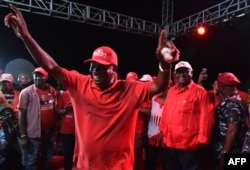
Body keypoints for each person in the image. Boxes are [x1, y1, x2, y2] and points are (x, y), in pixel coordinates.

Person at [4, 4, 180, 169]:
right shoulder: (80, 83)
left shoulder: (129, 88)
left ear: (114, 69)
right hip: (85, 166)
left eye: (102, 65)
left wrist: (165, 64)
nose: (95, 69)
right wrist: (26, 37)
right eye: (93, 65)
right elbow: (51, 66)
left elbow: (159, 86)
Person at [159, 61, 215, 170]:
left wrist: (203, 139)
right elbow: (166, 111)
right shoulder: (171, 91)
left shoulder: (200, 92)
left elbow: (207, 116)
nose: (182, 74)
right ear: (175, 74)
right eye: (179, 72)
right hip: (170, 143)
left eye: (186, 71)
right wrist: (162, 131)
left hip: (189, 145)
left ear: (191, 73)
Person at [17, 67, 57, 170]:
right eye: (36, 75)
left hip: (49, 132)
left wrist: (55, 130)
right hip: (33, 135)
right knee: (31, 161)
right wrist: (23, 135)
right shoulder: (26, 92)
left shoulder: (52, 90)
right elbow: (22, 115)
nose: (38, 78)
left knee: (47, 158)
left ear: (46, 77)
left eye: (40, 75)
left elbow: (54, 110)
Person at [213, 72, 247, 169]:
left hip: (231, 150)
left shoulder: (232, 104)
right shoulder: (237, 99)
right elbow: (225, 112)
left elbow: (232, 130)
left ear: (222, 86)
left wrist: (225, 153)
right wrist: (218, 96)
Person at [145, 79, 173, 170]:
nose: (161, 90)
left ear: (169, 88)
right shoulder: (153, 99)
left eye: (165, 88)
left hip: (166, 139)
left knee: (166, 165)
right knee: (150, 164)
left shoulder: (172, 102)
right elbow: (148, 113)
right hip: (151, 138)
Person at [57, 89, 75, 170]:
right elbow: (58, 111)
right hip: (67, 130)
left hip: (81, 131)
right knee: (68, 153)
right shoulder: (64, 94)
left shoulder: (83, 94)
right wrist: (65, 110)